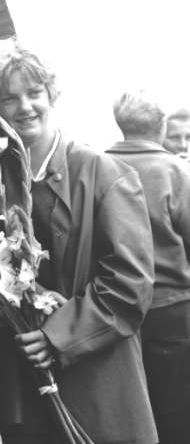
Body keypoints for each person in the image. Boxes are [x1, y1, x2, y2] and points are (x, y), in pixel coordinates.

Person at [0, 37, 157, 444]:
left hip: (98, 375)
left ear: (51, 95)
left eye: (34, 92)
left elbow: (132, 284)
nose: (25, 107)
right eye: (8, 98)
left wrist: (56, 336)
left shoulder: (103, 172)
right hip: (24, 383)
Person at [107, 91, 190, 444]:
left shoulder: (98, 166)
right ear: (161, 126)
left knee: (134, 408)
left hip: (114, 309)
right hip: (171, 312)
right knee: (177, 409)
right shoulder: (175, 171)